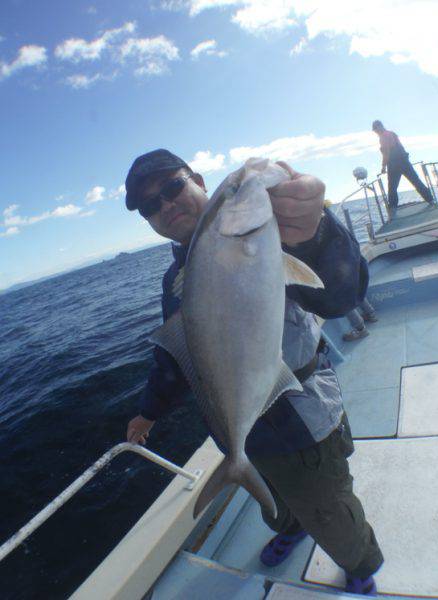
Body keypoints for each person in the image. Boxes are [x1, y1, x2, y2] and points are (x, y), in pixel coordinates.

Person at [124, 149, 383, 595]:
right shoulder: (175, 281)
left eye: (172, 188)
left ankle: (359, 563)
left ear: (199, 181)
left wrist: (316, 234)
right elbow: (174, 360)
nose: (165, 205)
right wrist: (148, 412)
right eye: (150, 205)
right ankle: (290, 525)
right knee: (278, 501)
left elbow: (341, 296)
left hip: (299, 420)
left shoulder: (274, 236)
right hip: (239, 429)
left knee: (329, 507)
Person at [372, 120, 434, 212]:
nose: (375, 132)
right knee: (416, 181)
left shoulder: (383, 137)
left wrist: (383, 167)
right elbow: (400, 146)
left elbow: (386, 154)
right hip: (404, 162)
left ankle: (393, 208)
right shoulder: (392, 133)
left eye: (375, 129)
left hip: (394, 164)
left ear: (379, 126)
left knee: (392, 187)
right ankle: (430, 200)